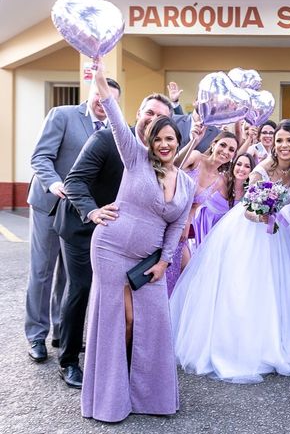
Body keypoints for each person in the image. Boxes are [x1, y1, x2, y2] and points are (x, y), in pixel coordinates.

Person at [170, 121, 290, 383]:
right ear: (273, 144)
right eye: (279, 141)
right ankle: (242, 344)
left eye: (289, 140)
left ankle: (279, 340)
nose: (284, 146)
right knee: (245, 285)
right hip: (249, 230)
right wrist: (262, 216)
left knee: (277, 287)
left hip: (279, 234)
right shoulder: (261, 170)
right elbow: (250, 209)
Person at [81, 62, 195, 423]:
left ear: (177, 142)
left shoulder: (187, 183)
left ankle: (151, 397)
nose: (164, 144)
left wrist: (165, 261)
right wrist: (99, 75)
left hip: (148, 263)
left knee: (154, 321)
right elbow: (114, 115)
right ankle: (110, 401)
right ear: (150, 140)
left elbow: (177, 225)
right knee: (119, 321)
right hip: (110, 250)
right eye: (159, 138)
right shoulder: (134, 158)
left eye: (170, 139)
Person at [25, 77, 120, 363]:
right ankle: (36, 336)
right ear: (90, 93)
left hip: (79, 213)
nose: (102, 104)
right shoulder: (63, 115)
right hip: (49, 204)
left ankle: (60, 330)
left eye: (108, 100)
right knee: (41, 272)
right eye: (98, 97)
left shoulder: (111, 130)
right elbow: (40, 156)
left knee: (69, 277)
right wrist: (54, 183)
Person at [165, 132, 239, 296]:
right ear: (214, 144)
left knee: (183, 271)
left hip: (180, 227)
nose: (225, 151)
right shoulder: (197, 158)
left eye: (231, 149)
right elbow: (172, 166)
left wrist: (186, 225)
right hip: (164, 217)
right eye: (223, 145)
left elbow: (194, 207)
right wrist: (193, 141)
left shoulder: (219, 180)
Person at [191, 151, 254, 248]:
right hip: (205, 221)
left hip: (223, 229)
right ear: (233, 166)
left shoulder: (249, 192)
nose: (241, 169)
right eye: (239, 164)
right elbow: (198, 199)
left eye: (247, 166)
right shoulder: (221, 179)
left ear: (251, 170)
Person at [167, 81, 219, 152]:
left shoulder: (216, 133)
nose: (206, 104)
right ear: (194, 103)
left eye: (211, 102)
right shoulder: (175, 121)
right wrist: (174, 101)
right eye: (203, 99)